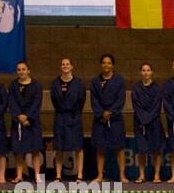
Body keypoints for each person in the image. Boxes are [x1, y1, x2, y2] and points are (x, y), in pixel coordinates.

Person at [89, 53, 127, 183]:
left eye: (109, 63)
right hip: (100, 119)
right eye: (104, 62)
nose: (106, 65)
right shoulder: (95, 81)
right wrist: (102, 113)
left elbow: (121, 100)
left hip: (115, 119)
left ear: (113, 65)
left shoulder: (120, 80)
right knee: (100, 147)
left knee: (119, 148)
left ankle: (122, 175)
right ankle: (100, 175)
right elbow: (93, 100)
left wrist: (110, 112)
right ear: (101, 65)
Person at [50, 59, 86, 180]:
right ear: (61, 67)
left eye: (67, 64)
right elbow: (54, 101)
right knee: (59, 147)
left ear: (72, 67)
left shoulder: (79, 83)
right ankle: (58, 175)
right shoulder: (55, 83)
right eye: (63, 64)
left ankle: (80, 174)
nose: (65, 66)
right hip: (60, 118)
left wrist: (74, 113)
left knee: (78, 147)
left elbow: (81, 100)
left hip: (74, 117)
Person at [8, 61, 43, 182]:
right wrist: (19, 116)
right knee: (18, 151)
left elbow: (37, 103)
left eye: (23, 69)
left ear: (28, 71)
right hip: (18, 122)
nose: (21, 71)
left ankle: (37, 175)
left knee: (35, 150)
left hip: (32, 122)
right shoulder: (13, 85)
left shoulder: (36, 85)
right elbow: (12, 102)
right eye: (19, 70)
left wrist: (28, 117)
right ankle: (19, 175)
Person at [131, 62, 164, 183]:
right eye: (143, 70)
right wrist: (143, 119)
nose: (146, 72)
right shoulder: (135, 87)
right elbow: (136, 105)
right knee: (141, 150)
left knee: (156, 149)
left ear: (151, 72)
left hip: (154, 122)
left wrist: (148, 119)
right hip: (140, 122)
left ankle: (156, 175)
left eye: (148, 70)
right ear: (140, 72)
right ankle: (141, 175)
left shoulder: (157, 88)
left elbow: (157, 106)